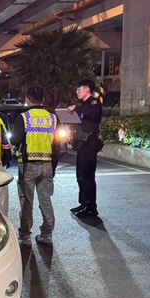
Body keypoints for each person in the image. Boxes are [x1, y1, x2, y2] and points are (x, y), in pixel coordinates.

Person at [9, 86, 59, 245]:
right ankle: (47, 234)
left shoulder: (24, 118)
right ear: (43, 99)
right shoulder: (52, 118)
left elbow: (15, 140)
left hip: (28, 166)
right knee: (46, 200)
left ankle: (25, 237)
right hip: (47, 165)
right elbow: (57, 145)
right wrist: (53, 167)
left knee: (26, 202)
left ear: (28, 99)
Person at [68, 79, 103, 218]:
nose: (77, 92)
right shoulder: (83, 105)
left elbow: (91, 113)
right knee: (80, 175)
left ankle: (90, 206)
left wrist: (76, 108)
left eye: (79, 89)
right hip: (82, 143)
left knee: (87, 175)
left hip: (90, 143)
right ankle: (83, 203)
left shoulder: (93, 103)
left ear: (87, 89)